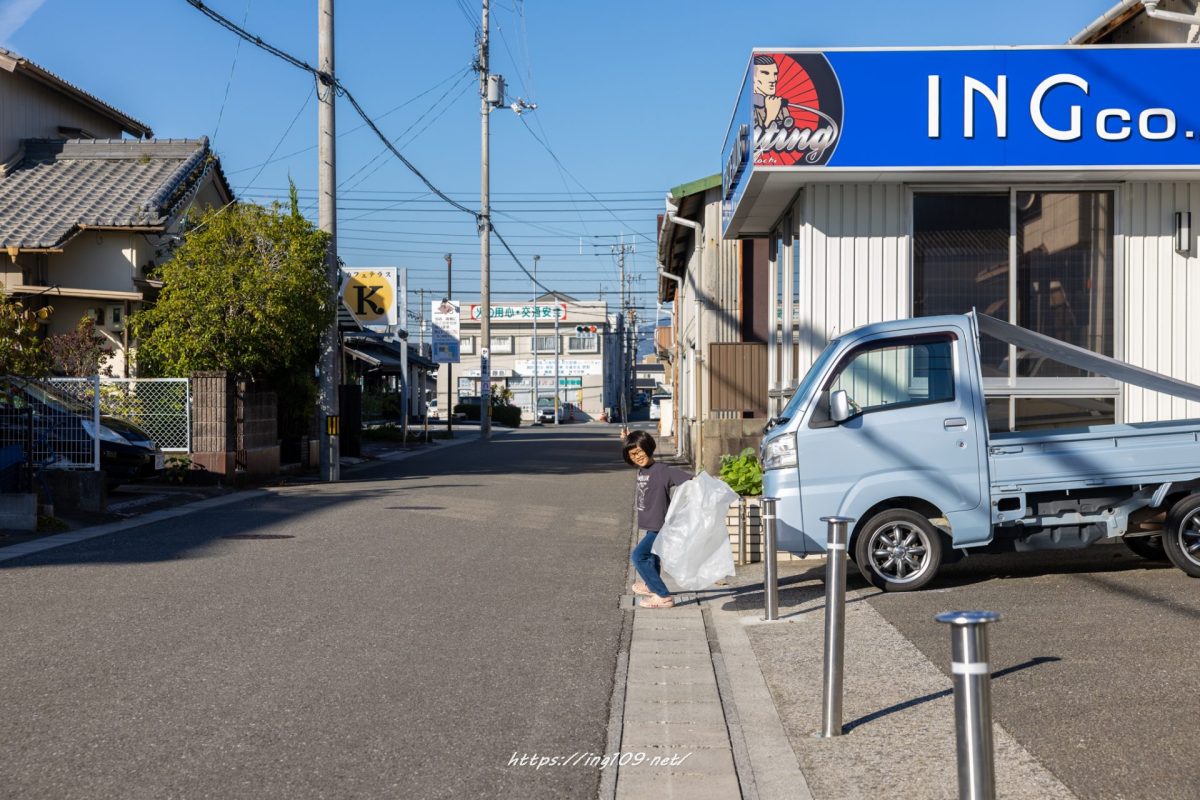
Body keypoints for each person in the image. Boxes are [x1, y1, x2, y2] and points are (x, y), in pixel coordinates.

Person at [623, 430, 692, 609]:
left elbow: (690, 480)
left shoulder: (662, 471)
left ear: (648, 448)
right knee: (652, 558)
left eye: (640, 452)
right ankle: (650, 585)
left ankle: (662, 595)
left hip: (660, 526)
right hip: (651, 525)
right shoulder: (643, 470)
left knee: (639, 556)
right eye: (632, 455)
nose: (637, 457)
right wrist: (627, 440)